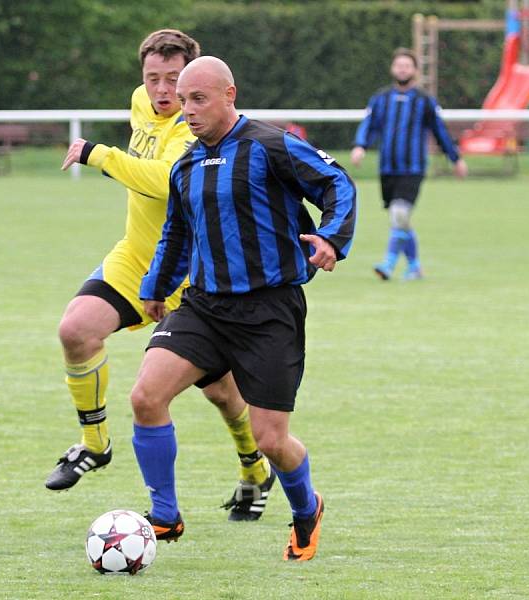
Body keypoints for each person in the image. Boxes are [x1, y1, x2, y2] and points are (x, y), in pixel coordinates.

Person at [130, 56, 356, 561]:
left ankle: (306, 509)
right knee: (146, 396)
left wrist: (331, 240)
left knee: (271, 441)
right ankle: (165, 517)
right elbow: (177, 233)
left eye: (198, 99)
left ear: (230, 95)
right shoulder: (186, 165)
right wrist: (155, 287)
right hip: (205, 307)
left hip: (269, 311)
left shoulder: (269, 145)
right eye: (183, 100)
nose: (187, 109)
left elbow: (336, 183)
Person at [49, 30, 276, 524]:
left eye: (174, 79)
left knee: (221, 392)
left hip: (191, 272)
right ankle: (95, 442)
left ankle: (255, 468)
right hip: (136, 257)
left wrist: (99, 154)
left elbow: (166, 182)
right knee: (75, 330)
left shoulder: (196, 126)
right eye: (153, 78)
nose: (162, 90)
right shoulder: (141, 103)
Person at [351, 47, 468, 281]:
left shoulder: (424, 101)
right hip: (387, 168)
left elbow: (440, 132)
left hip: (413, 168)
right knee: (399, 219)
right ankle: (414, 266)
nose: (402, 69)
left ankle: (388, 263)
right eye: (399, 65)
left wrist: (455, 158)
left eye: (407, 65)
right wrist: (360, 145)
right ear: (392, 68)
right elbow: (370, 125)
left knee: (399, 213)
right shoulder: (381, 99)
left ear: (414, 70)